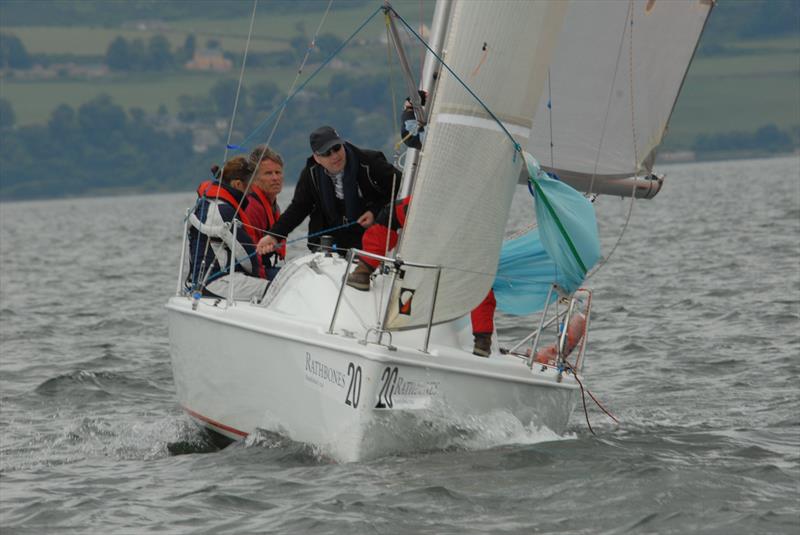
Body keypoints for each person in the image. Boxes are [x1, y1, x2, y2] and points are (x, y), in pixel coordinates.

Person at [346, 196, 498, 358]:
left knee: (390, 214)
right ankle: (483, 341)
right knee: (478, 274)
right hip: (473, 217)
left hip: (438, 201)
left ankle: (363, 271)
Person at [255, 126, 400, 256]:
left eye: (337, 148)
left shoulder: (370, 161)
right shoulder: (310, 174)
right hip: (328, 245)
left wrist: (375, 212)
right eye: (327, 153)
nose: (335, 156)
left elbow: (400, 188)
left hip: (370, 240)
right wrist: (273, 235)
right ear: (317, 158)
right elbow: (298, 208)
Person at [187, 156, 268, 301]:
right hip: (217, 282)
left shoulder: (209, 203)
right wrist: (262, 275)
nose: (251, 192)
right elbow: (247, 257)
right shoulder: (223, 210)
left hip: (205, 281)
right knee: (279, 290)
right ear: (238, 184)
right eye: (250, 186)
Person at [244, 144, 285, 280]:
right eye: (268, 173)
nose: (275, 178)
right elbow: (249, 252)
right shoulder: (251, 206)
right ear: (254, 179)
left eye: (278, 172)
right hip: (252, 273)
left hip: (265, 267)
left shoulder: (272, 204)